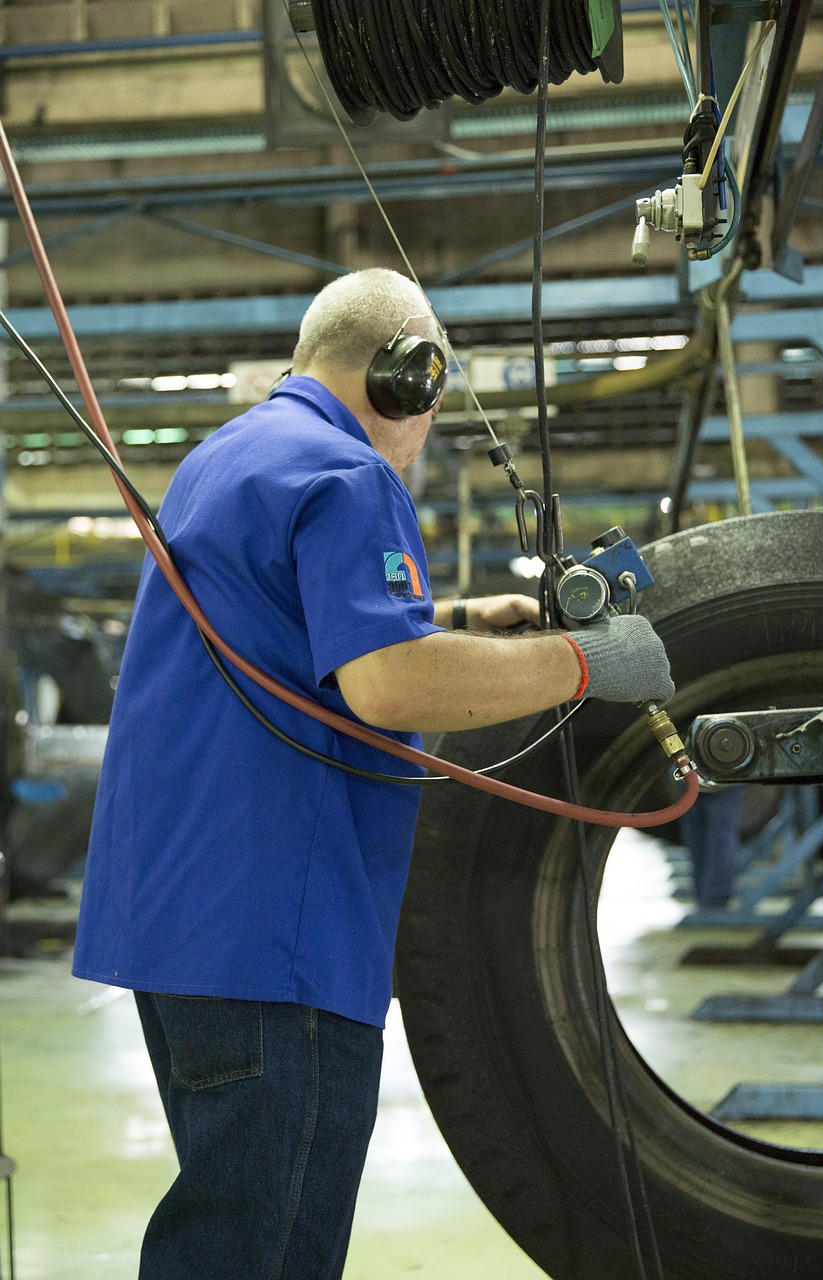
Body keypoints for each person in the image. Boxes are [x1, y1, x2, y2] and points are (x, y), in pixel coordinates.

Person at [72, 267, 675, 1280]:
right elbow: (388, 685)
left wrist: (459, 622)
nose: (426, 438)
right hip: (280, 936)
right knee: (262, 1251)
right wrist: (582, 662)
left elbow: (294, 637)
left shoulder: (223, 460)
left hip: (183, 930)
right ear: (411, 377)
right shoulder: (350, 474)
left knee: (230, 1225)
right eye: (431, 414)